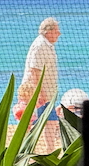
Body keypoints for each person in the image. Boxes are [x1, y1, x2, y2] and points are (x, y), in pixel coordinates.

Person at [24, 17, 62, 152]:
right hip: (38, 94)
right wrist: (39, 93)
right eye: (56, 31)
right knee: (31, 122)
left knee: (51, 121)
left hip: (47, 93)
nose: (59, 34)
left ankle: (50, 150)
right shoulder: (40, 46)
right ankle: (27, 151)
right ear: (48, 31)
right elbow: (34, 71)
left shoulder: (47, 45)